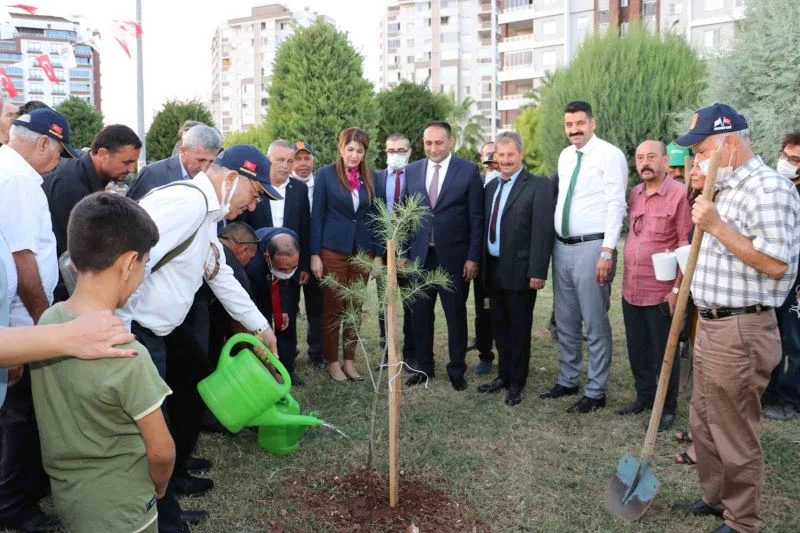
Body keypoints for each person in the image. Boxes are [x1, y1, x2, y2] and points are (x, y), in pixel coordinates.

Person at [118, 144, 281, 533]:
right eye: (254, 194)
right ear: (230, 179)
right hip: (138, 332)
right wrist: (120, 332)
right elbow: (128, 261)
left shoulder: (207, 217)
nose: (253, 206)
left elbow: (219, 273)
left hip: (161, 330)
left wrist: (260, 327)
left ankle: (171, 485)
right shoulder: (184, 205)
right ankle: (163, 518)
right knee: (150, 428)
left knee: (186, 391)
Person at [669, 103, 800, 533]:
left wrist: (719, 226)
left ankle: (742, 521)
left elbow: (777, 263)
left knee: (734, 428)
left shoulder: (770, 188)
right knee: (703, 419)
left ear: (727, 145)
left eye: (702, 150)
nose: (696, 159)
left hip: (743, 329)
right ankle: (716, 499)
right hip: (710, 324)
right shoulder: (721, 187)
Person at [30, 192, 174, 533]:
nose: (142, 273)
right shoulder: (126, 353)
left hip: (71, 497)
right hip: (124, 509)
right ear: (128, 263)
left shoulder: (49, 323)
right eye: (145, 263)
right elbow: (162, 451)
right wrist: (161, 483)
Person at [127, 124, 224, 484]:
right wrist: (122, 317)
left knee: (190, 378)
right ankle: (165, 480)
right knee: (159, 399)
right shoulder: (166, 183)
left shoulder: (210, 194)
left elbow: (214, 259)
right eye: (199, 159)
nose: (202, 166)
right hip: (145, 314)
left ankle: (179, 462)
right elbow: (138, 249)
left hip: (181, 304)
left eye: (209, 161)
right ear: (183, 150)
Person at [0, 108, 80, 533]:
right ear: (44, 142)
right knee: (20, 419)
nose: (59, 162)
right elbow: (22, 259)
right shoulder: (15, 179)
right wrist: (39, 323)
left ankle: (21, 493)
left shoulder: (16, 173)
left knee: (21, 416)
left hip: (18, 319)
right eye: (58, 152)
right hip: (19, 322)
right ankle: (14, 506)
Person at [540, 101, 627, 414]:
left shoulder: (610, 155)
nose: (574, 129)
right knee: (565, 319)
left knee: (595, 321)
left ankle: (596, 389)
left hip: (593, 248)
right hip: (562, 248)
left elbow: (616, 204)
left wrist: (607, 250)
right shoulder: (565, 156)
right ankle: (568, 378)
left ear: (593, 122)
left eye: (580, 123)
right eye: (569, 124)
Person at [618, 140, 692, 432]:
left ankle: (667, 407)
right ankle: (644, 397)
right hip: (631, 287)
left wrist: (676, 289)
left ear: (664, 161)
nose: (645, 162)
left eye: (651, 157)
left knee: (664, 352)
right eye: (640, 158)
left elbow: (685, 244)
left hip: (661, 292)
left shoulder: (679, 195)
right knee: (638, 348)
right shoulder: (635, 193)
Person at [404, 121, 484, 391]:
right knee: (420, 316)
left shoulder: (469, 171)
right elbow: (407, 215)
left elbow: (476, 218)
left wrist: (473, 257)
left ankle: (457, 368)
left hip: (455, 259)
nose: (433, 148)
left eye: (438, 142)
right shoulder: (412, 171)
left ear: (450, 142)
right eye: (428, 143)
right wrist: (403, 253)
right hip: (419, 258)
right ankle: (424, 367)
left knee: (455, 315)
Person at [476, 132, 554, 406]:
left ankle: (517, 383)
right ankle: (504, 375)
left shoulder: (537, 186)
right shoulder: (490, 188)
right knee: (499, 326)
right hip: (494, 269)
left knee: (519, 329)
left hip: (521, 271)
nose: (505, 159)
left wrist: (538, 271)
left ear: (520, 155)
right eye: (501, 154)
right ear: (495, 156)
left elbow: (542, 232)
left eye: (511, 154)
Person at [237, 140, 311, 380]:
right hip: (257, 265)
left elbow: (305, 227)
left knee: (286, 317)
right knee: (259, 314)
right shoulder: (255, 186)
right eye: (280, 160)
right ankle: (260, 368)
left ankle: (287, 367)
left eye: (290, 161)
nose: (286, 165)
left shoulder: (298, 190)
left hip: (287, 266)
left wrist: (304, 265)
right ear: (268, 160)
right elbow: (242, 226)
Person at [43, 124, 142, 300]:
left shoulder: (83, 177)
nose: (130, 170)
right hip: (61, 291)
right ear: (102, 154)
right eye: (126, 162)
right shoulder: (72, 187)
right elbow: (70, 253)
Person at [310, 127, 378, 382]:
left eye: (359, 151)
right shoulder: (326, 175)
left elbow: (374, 217)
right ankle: (333, 362)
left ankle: (349, 361)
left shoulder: (370, 177)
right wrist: (314, 254)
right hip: (332, 251)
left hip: (362, 251)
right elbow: (317, 216)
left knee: (354, 308)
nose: (354, 155)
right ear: (341, 149)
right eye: (350, 149)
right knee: (333, 308)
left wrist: (377, 255)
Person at [762, 130, 800, 421]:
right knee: (771, 336)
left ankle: (790, 398)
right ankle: (769, 392)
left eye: (795, 159)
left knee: (795, 341)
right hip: (773, 278)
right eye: (786, 156)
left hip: (797, 281)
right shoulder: (774, 188)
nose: (788, 162)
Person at [373, 133, 415, 366]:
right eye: (391, 151)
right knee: (384, 304)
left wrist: (408, 253)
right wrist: (378, 254)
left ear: (409, 152)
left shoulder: (417, 177)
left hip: (408, 252)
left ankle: (409, 352)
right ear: (385, 153)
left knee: (410, 304)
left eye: (401, 151)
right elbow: (372, 218)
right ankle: (387, 350)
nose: (396, 155)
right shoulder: (376, 179)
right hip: (383, 252)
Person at [247, 228, 303, 382]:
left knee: (286, 322)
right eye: (282, 269)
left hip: (283, 285)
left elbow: (285, 278)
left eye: (293, 267)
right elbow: (253, 302)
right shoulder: (253, 261)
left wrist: (282, 309)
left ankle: (287, 369)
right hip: (258, 288)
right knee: (262, 326)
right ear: (267, 257)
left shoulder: (293, 239)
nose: (288, 271)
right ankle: (265, 371)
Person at [291, 141, 324, 369]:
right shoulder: (285, 186)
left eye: (306, 158)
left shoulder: (322, 184)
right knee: (289, 307)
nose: (302, 163)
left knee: (317, 307)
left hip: (318, 257)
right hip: (291, 258)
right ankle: (288, 351)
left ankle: (317, 352)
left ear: (313, 160)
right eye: (297, 159)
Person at [128, 124, 222, 200]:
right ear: (183, 150)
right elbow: (133, 213)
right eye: (200, 160)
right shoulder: (153, 174)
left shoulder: (214, 178)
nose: (205, 167)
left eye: (211, 161)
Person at [468, 143, 498, 375]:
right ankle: (484, 351)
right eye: (487, 159)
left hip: (504, 259)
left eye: (495, 156)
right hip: (481, 257)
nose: (492, 164)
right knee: (482, 307)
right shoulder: (476, 182)